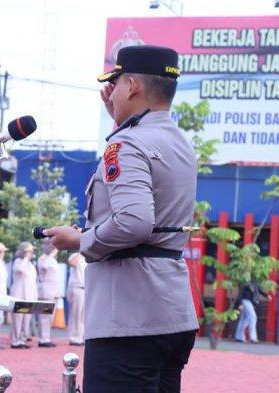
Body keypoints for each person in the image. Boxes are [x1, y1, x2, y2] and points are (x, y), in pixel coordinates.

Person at [44, 45, 198, 392]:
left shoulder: (127, 144)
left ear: (131, 86)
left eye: (115, 85)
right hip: (170, 313)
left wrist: (79, 240)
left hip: (129, 318)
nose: (110, 93)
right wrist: (122, 123)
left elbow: (134, 221)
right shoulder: (180, 143)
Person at [9, 242, 37, 349]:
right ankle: (15, 341)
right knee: (18, 319)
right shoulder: (18, 262)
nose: (31, 254)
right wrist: (25, 257)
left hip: (29, 295)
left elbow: (33, 282)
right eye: (29, 252)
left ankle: (22, 340)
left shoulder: (31, 265)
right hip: (19, 294)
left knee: (26, 320)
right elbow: (19, 269)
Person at [36, 239, 59, 348]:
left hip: (53, 291)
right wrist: (52, 255)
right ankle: (42, 339)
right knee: (44, 317)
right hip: (45, 291)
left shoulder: (52, 260)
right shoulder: (43, 259)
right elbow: (44, 268)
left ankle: (47, 337)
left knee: (50, 317)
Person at [66, 253, 87, 346]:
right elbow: (72, 262)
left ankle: (80, 337)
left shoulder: (90, 256)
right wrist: (81, 252)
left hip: (86, 289)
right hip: (76, 288)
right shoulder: (76, 256)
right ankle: (73, 337)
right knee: (75, 314)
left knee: (83, 315)